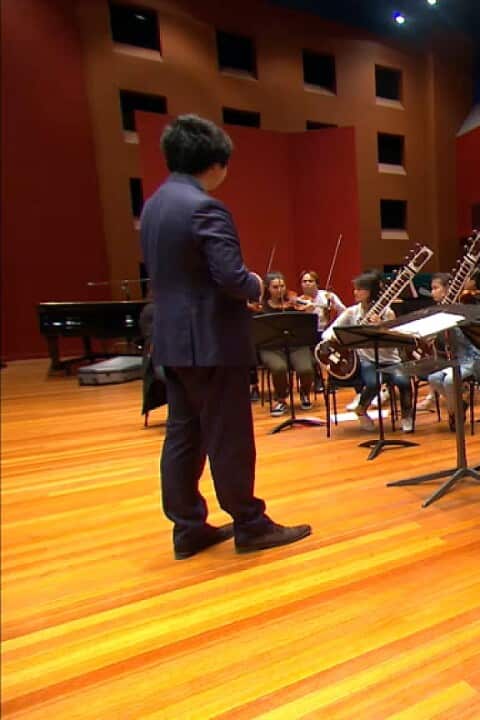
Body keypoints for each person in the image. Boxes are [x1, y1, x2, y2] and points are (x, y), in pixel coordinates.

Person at [140, 114, 311, 559]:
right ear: (214, 162)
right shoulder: (205, 207)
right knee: (229, 434)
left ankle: (187, 527)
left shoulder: (155, 205)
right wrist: (256, 285)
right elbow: (232, 278)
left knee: (184, 434)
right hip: (211, 340)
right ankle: (250, 524)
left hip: (172, 340)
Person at [323, 271, 415, 433]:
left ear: (371, 292)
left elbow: (397, 339)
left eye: (360, 289)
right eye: (355, 289)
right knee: (373, 383)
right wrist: (339, 340)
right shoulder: (352, 312)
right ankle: (361, 410)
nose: (355, 292)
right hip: (367, 360)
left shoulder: (387, 313)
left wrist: (383, 326)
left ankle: (407, 416)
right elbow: (328, 332)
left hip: (391, 360)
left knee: (404, 382)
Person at [421, 273, 480, 431]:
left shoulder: (460, 309)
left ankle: (454, 414)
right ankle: (459, 406)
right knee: (433, 378)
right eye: (432, 288)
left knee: (449, 380)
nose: (432, 292)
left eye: (436, 288)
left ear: (447, 289)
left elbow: (467, 339)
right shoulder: (437, 313)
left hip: (471, 357)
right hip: (455, 359)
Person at [256, 271, 317, 415]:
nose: (280, 290)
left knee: (305, 369)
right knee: (278, 368)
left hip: (296, 344)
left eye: (282, 286)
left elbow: (306, 327)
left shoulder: (295, 303)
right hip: (271, 346)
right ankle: (281, 398)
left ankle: (304, 393)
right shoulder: (262, 308)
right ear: (268, 289)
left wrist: (309, 311)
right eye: (275, 287)